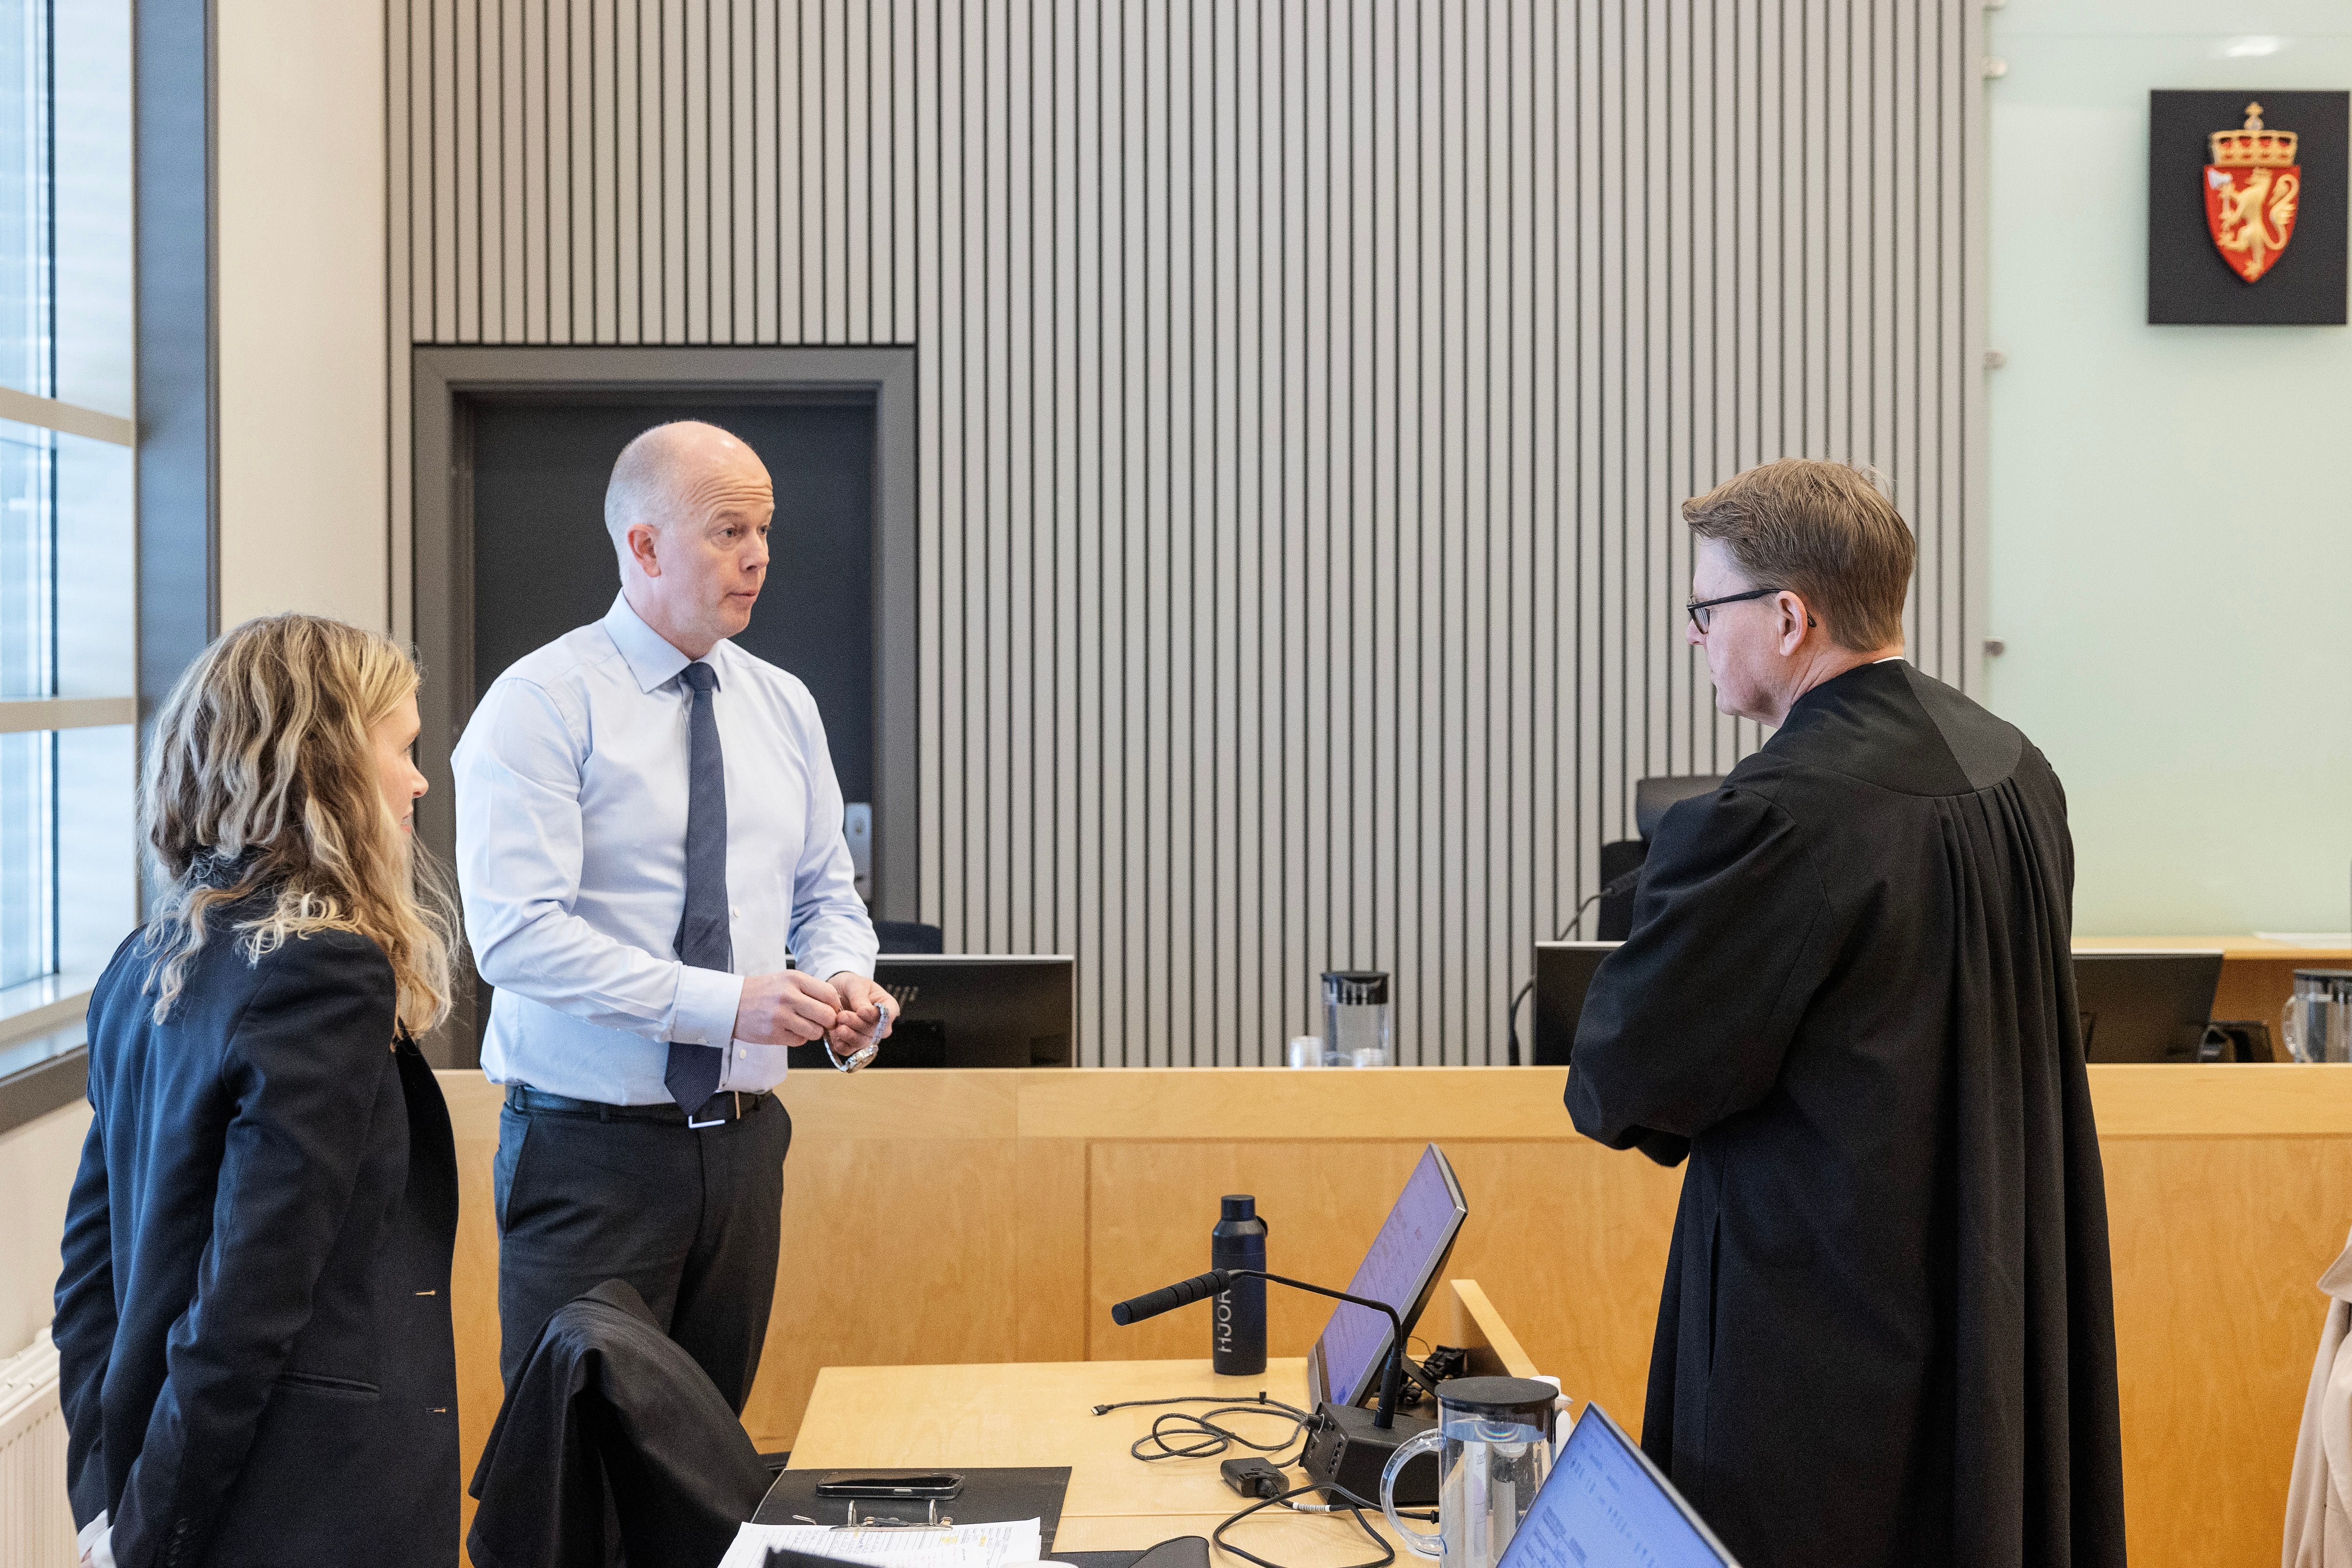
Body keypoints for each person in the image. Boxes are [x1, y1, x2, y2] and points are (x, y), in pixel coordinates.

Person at [1564, 460, 2126, 1568]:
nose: (1693, 634)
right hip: (2002, 1305)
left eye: (1705, 608)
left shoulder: (1771, 818)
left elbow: (1623, 1087)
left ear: (1788, 618)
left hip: (1824, 1351)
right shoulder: (2019, 772)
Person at [454, 418, 891, 1407]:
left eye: (765, 530)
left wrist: (845, 979)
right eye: (729, 531)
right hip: (589, 1153)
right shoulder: (542, 703)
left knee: (706, 1455)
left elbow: (827, 893)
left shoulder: (783, 705)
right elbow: (517, 938)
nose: (760, 556)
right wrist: (725, 1005)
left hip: (743, 1149)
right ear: (644, 547)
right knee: (575, 1458)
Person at [53, 615, 462, 1568]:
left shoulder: (144, 960)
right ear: (325, 765)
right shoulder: (326, 972)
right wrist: (149, 1535)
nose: (418, 782)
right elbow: (246, 1304)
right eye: (401, 749)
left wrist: (107, 1508)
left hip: (184, 1484)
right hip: (302, 1503)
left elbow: (88, 1283)